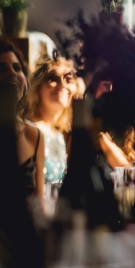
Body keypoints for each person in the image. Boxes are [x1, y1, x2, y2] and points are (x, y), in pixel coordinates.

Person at [0, 41, 44, 200]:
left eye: (17, 68)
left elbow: (39, 204)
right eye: (1, 68)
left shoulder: (35, 135)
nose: (12, 73)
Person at [26, 55, 78, 185]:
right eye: (53, 78)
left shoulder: (60, 136)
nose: (62, 84)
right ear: (38, 88)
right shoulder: (27, 130)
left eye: (68, 79)